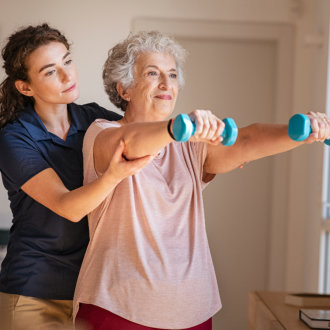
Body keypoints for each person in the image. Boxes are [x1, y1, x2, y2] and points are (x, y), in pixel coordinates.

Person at [73, 30, 330, 330]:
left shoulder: (189, 144)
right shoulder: (102, 132)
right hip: (118, 307)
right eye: (152, 73)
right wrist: (180, 128)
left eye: (171, 74)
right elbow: (129, 144)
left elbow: (246, 140)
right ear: (124, 89)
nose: (166, 84)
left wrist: (301, 131)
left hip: (191, 310)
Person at [0, 24, 152, 330]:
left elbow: (143, 138)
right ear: (25, 87)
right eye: (50, 71)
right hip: (33, 292)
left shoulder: (96, 120)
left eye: (67, 61)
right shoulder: (14, 138)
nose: (68, 75)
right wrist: (113, 176)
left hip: (90, 292)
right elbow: (69, 207)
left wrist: (201, 160)